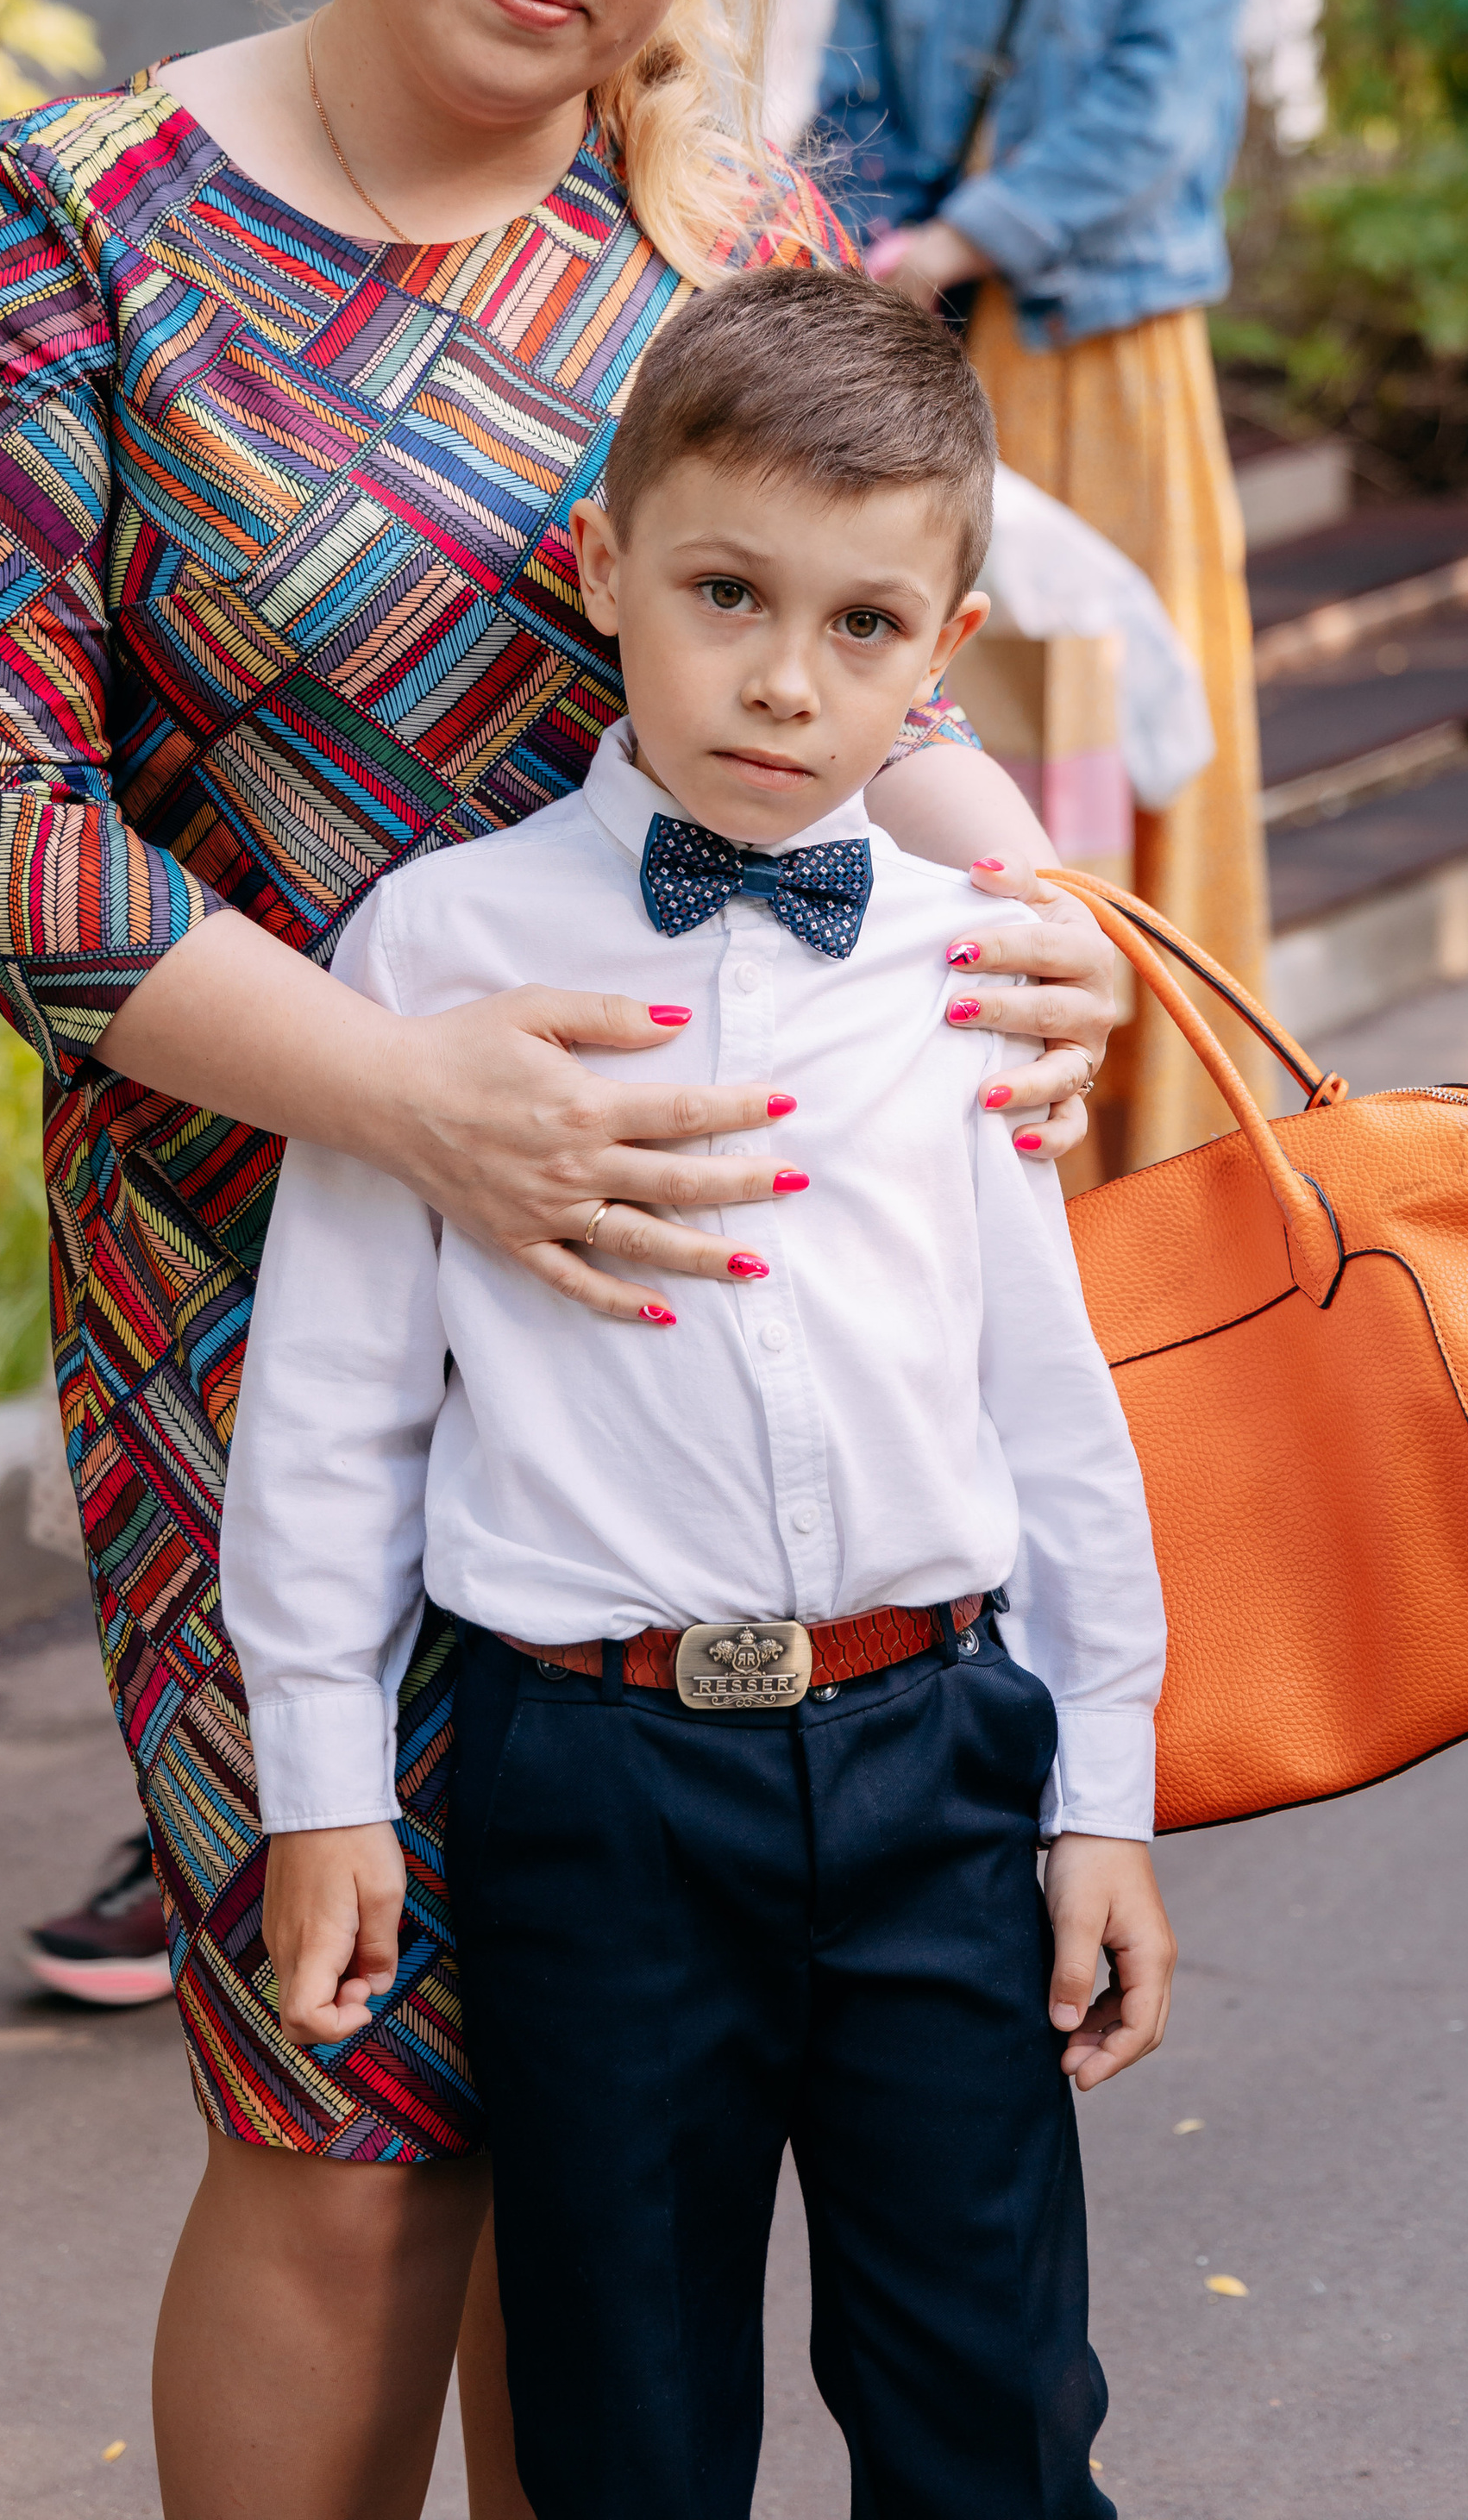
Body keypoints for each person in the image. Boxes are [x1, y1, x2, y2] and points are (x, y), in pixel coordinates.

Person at [0, 0, 1122, 2520]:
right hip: (264, 1306)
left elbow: (870, 656)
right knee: (362, 2121)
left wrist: (1011, 904)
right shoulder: (60, 240)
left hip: (703, 1337)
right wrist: (405, 1090)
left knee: (614, 2162)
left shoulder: (725, 233)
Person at [227, 266, 1174, 2520]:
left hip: (939, 1760)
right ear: (607, 572)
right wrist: (322, 1782)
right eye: (727, 592)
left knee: (993, 2401)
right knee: (619, 2411)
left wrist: (1106, 1784)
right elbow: (340, 1406)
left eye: (863, 628)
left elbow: (1050, 1402)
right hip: (592, 1779)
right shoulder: (438, 950)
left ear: (940, 659)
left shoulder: (979, 970)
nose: (780, 678)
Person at [815, 0, 1274, 1176]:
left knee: (1134, 773)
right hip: (946, 377)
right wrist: (821, 255)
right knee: (975, 776)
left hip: (1111, 363)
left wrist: (948, 242)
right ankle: (1005, 1173)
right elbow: (851, 128)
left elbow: (1153, 120)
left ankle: (1169, 1179)